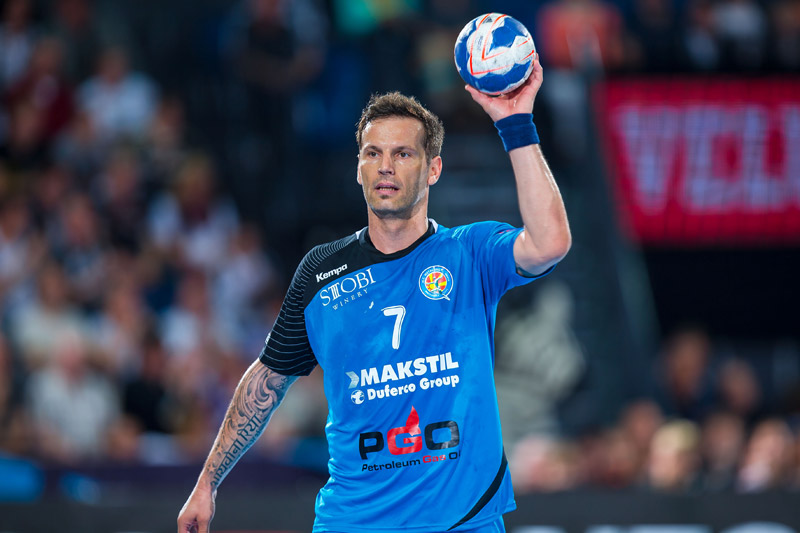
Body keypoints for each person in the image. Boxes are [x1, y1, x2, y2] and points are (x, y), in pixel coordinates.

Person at [177, 55, 571, 533]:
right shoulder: (321, 272)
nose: (385, 166)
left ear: (433, 169)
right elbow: (268, 379)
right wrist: (208, 482)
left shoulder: (469, 252)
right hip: (354, 521)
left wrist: (516, 123)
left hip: (462, 522)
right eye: (372, 153)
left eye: (403, 154)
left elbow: (550, 243)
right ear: (358, 168)